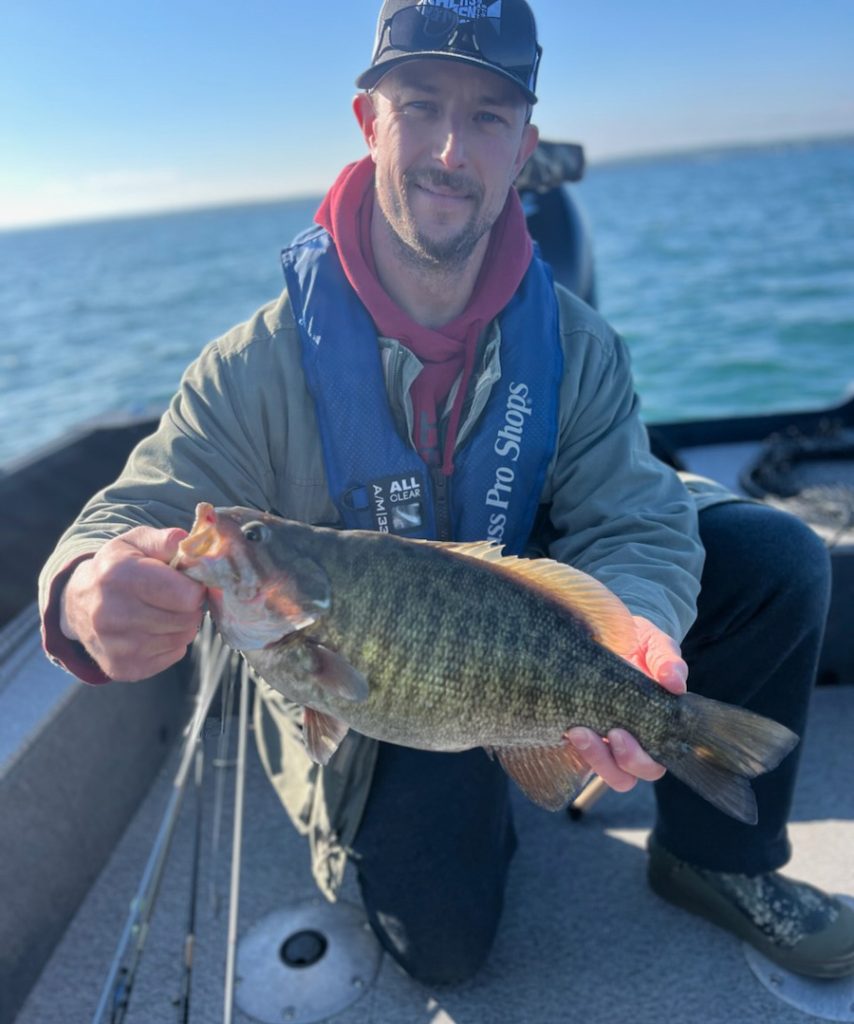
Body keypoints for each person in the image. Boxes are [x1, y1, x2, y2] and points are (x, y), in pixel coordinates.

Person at [40, 0, 854, 987]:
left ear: (524, 149)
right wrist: (89, 587)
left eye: (486, 117)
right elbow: (134, 510)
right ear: (367, 121)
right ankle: (495, 786)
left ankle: (712, 858)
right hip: (371, 696)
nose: (448, 148)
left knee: (775, 559)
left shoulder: (573, 341)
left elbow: (633, 512)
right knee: (447, 945)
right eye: (419, 104)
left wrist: (637, 630)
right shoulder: (250, 367)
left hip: (520, 628)